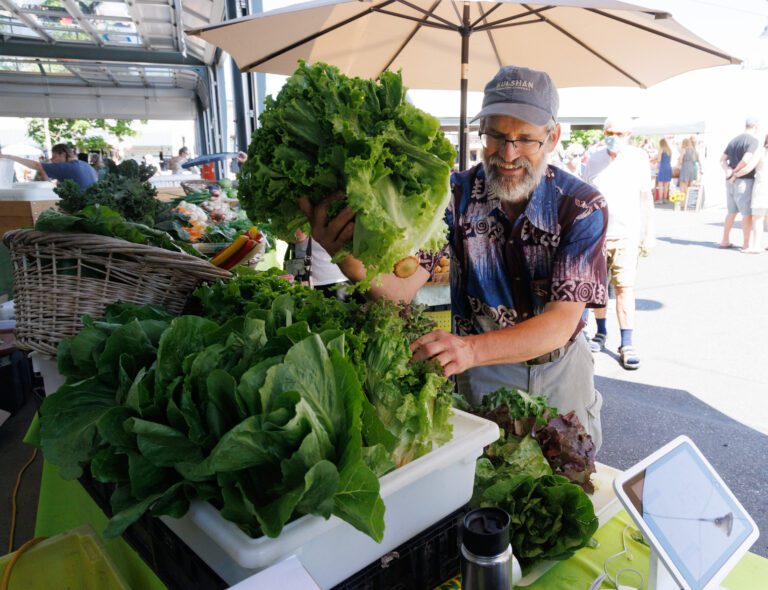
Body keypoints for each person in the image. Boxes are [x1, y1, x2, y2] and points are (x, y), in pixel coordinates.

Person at [300, 65, 608, 450]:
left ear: (553, 137)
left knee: (568, 476)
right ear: (482, 132)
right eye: (496, 135)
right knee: (485, 475)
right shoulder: (454, 197)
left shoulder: (580, 206)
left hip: (561, 368)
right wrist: (343, 255)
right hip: (481, 372)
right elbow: (401, 290)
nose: (509, 154)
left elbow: (561, 322)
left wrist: (470, 349)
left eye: (526, 139)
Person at [584, 116, 654, 371]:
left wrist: (649, 232)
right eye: (610, 132)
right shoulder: (594, 158)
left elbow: (646, 197)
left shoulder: (638, 158)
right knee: (599, 290)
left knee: (624, 288)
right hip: (598, 234)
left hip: (627, 235)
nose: (614, 136)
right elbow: (586, 195)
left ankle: (627, 342)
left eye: (620, 133)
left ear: (629, 135)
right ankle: (601, 332)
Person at [720, 117, 760, 250]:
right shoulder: (753, 141)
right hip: (744, 181)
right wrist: (735, 172)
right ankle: (746, 244)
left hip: (730, 182)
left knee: (731, 212)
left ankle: (725, 240)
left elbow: (722, 159)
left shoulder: (734, 140)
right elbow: (746, 160)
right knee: (746, 214)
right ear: (755, 126)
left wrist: (728, 171)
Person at [0, 143, 97, 190]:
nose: (52, 160)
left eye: (54, 156)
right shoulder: (87, 166)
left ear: (63, 154)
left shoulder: (66, 167)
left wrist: (8, 156)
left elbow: (37, 165)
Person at [734, 134, 768, 253]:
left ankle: (756, 246)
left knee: (758, 218)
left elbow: (748, 168)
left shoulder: (762, 151)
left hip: (763, 188)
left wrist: (734, 175)